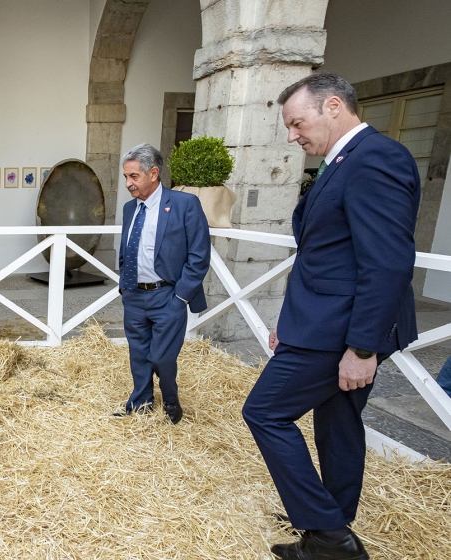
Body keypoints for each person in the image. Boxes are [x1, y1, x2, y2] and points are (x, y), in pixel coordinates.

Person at [242, 73, 420, 560]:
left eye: (298, 123)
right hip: (322, 321)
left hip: (341, 331)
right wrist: (288, 318)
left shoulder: (376, 159)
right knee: (338, 424)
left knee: (264, 412)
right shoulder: (343, 161)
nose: (292, 135)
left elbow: (386, 262)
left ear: (334, 106)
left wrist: (363, 347)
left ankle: (329, 535)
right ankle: (329, 523)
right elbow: (325, 255)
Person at [116, 143, 210, 424]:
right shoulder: (129, 208)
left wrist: (181, 297)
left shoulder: (184, 204)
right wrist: (124, 286)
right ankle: (141, 403)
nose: (128, 183)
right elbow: (125, 249)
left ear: (154, 173)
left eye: (134, 177)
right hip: (134, 295)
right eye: (126, 177)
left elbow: (199, 254)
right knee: (139, 355)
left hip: (168, 296)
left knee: (161, 357)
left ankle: (170, 399)